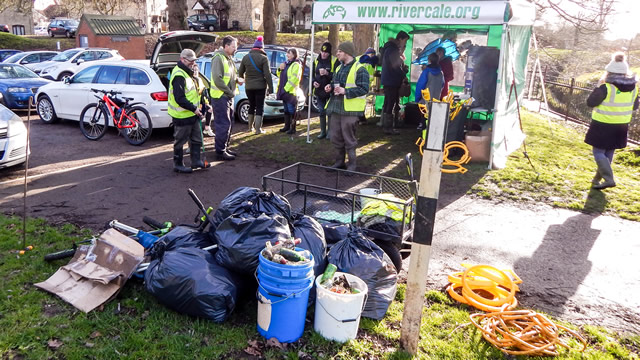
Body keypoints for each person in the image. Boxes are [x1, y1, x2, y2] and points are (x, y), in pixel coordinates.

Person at [585, 52, 639, 189]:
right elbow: (635, 106)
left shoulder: (606, 88)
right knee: (609, 152)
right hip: (621, 125)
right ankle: (597, 179)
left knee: (598, 152)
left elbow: (590, 103)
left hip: (602, 124)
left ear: (608, 73)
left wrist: (598, 87)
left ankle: (609, 179)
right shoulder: (634, 89)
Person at [324, 41, 369, 171]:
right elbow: (335, 83)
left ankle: (352, 165)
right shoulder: (338, 68)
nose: (337, 53)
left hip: (351, 110)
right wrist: (330, 86)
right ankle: (339, 163)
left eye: (340, 51)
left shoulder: (360, 69)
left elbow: (364, 89)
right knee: (335, 137)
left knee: (349, 138)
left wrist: (346, 91)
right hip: (336, 107)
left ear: (347, 53)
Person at [168, 49, 209, 173]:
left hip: (193, 114)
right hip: (182, 115)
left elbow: (195, 92)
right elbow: (179, 98)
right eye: (190, 61)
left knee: (196, 138)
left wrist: (201, 105)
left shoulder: (188, 73)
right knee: (180, 141)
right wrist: (194, 108)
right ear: (183, 60)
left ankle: (196, 161)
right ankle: (178, 164)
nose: (193, 63)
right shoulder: (179, 75)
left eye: (194, 61)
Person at [210, 35, 241, 161]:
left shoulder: (228, 58)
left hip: (226, 96)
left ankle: (225, 147)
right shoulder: (219, 58)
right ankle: (220, 151)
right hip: (221, 97)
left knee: (229, 123)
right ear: (226, 46)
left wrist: (237, 80)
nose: (235, 49)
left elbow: (230, 76)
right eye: (233, 46)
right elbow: (218, 79)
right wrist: (229, 92)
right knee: (223, 124)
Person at [238, 35, 274, 134]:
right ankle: (258, 129)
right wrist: (271, 88)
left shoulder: (246, 57)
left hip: (248, 87)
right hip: (260, 87)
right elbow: (268, 74)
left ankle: (250, 128)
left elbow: (240, 72)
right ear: (261, 48)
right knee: (259, 107)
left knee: (251, 105)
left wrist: (244, 79)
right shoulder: (264, 58)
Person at [380, 31, 409, 135]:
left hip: (388, 79)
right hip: (391, 80)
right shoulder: (392, 50)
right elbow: (395, 66)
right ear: (400, 39)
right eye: (404, 41)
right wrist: (403, 75)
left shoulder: (389, 48)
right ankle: (388, 128)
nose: (404, 44)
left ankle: (385, 126)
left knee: (388, 102)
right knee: (390, 102)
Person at [313, 42, 337, 139]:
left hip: (330, 91)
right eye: (322, 52)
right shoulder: (316, 61)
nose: (323, 54)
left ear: (329, 53)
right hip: (319, 90)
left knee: (330, 112)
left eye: (326, 52)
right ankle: (322, 131)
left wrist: (327, 73)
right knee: (321, 111)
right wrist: (314, 82)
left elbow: (336, 76)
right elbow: (312, 75)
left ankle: (330, 132)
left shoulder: (334, 61)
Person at [276, 48, 302, 134]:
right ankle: (286, 126)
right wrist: (280, 69)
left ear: (294, 55)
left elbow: (294, 79)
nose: (287, 55)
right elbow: (279, 74)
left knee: (291, 110)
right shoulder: (286, 64)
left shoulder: (296, 65)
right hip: (284, 91)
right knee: (286, 110)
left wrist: (286, 89)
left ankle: (292, 128)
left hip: (291, 92)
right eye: (287, 53)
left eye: (289, 53)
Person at [356, 47, 378, 125]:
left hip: (356, 83)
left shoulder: (358, 58)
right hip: (363, 85)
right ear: (371, 54)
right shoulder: (371, 61)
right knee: (361, 102)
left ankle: (358, 118)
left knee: (357, 102)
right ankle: (361, 119)